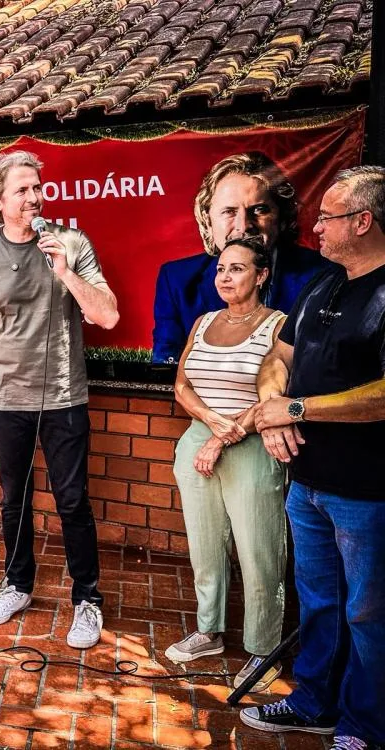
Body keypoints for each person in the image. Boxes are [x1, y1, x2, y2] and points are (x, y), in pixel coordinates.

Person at [242, 166, 385, 750]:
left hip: (367, 492)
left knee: (369, 616)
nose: (317, 227)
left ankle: (363, 725)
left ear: (363, 220)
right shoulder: (323, 285)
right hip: (308, 485)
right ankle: (312, 702)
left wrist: (296, 411)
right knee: (320, 603)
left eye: (328, 217)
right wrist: (273, 404)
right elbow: (278, 357)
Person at [0, 151, 119, 649]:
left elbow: (107, 317)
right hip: (6, 400)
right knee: (13, 502)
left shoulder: (70, 242)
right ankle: (19, 584)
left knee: (72, 501)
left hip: (65, 396)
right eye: (22, 190)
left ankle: (87, 599)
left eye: (37, 187)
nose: (34, 197)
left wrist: (66, 272)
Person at [166, 237, 287, 692]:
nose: (226, 277)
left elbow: (273, 395)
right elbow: (181, 386)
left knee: (259, 551)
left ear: (261, 275)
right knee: (205, 545)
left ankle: (263, 650)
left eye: (237, 269)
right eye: (221, 270)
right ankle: (209, 630)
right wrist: (212, 424)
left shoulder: (278, 326)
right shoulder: (203, 321)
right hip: (201, 438)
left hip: (252, 443)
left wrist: (225, 434)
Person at [152, 151, 334, 364]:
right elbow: (164, 364)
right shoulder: (176, 280)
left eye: (259, 210)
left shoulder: (324, 275)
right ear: (208, 221)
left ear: (282, 218)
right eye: (229, 211)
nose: (243, 225)